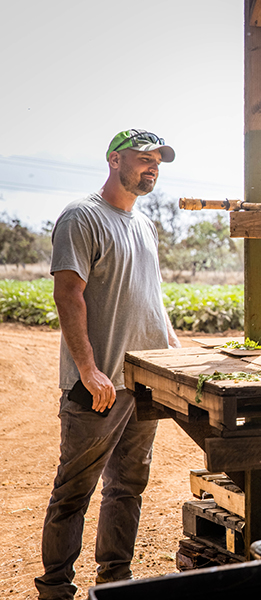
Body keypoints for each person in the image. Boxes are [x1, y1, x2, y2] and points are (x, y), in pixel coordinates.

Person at [35, 129, 181, 600]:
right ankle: (56, 588)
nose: (152, 167)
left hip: (141, 383)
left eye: (158, 161)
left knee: (128, 487)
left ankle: (114, 579)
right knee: (74, 491)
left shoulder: (143, 224)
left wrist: (172, 354)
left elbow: (150, 300)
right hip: (97, 386)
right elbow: (68, 292)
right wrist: (88, 369)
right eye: (143, 159)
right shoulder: (83, 216)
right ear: (115, 160)